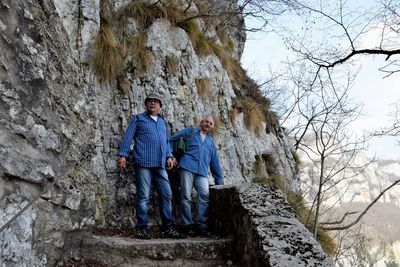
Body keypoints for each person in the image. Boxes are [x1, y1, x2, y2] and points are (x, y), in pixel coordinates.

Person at [117, 92, 185, 239]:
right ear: (146, 104)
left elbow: (166, 142)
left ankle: (168, 228)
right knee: (143, 196)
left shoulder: (162, 123)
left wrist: (169, 156)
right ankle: (142, 228)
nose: (153, 103)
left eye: (156, 102)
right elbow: (128, 137)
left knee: (166, 195)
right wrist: (123, 154)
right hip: (143, 163)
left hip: (160, 164)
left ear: (160, 106)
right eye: (150, 101)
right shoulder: (138, 119)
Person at [170, 115, 224, 236]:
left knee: (205, 195)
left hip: (202, 172)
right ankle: (187, 225)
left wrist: (219, 180)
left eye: (211, 123)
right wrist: (170, 155)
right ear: (201, 122)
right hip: (187, 167)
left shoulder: (211, 142)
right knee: (186, 196)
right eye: (206, 121)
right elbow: (171, 139)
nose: (208, 124)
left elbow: (214, 162)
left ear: (212, 127)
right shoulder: (190, 131)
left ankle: (201, 225)